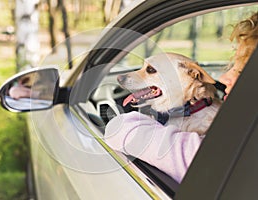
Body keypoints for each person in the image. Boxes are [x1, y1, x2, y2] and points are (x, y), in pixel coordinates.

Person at [104, 12, 258, 183]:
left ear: (193, 75)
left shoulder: (221, 139)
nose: (223, 78)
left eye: (151, 71)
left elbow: (119, 130)